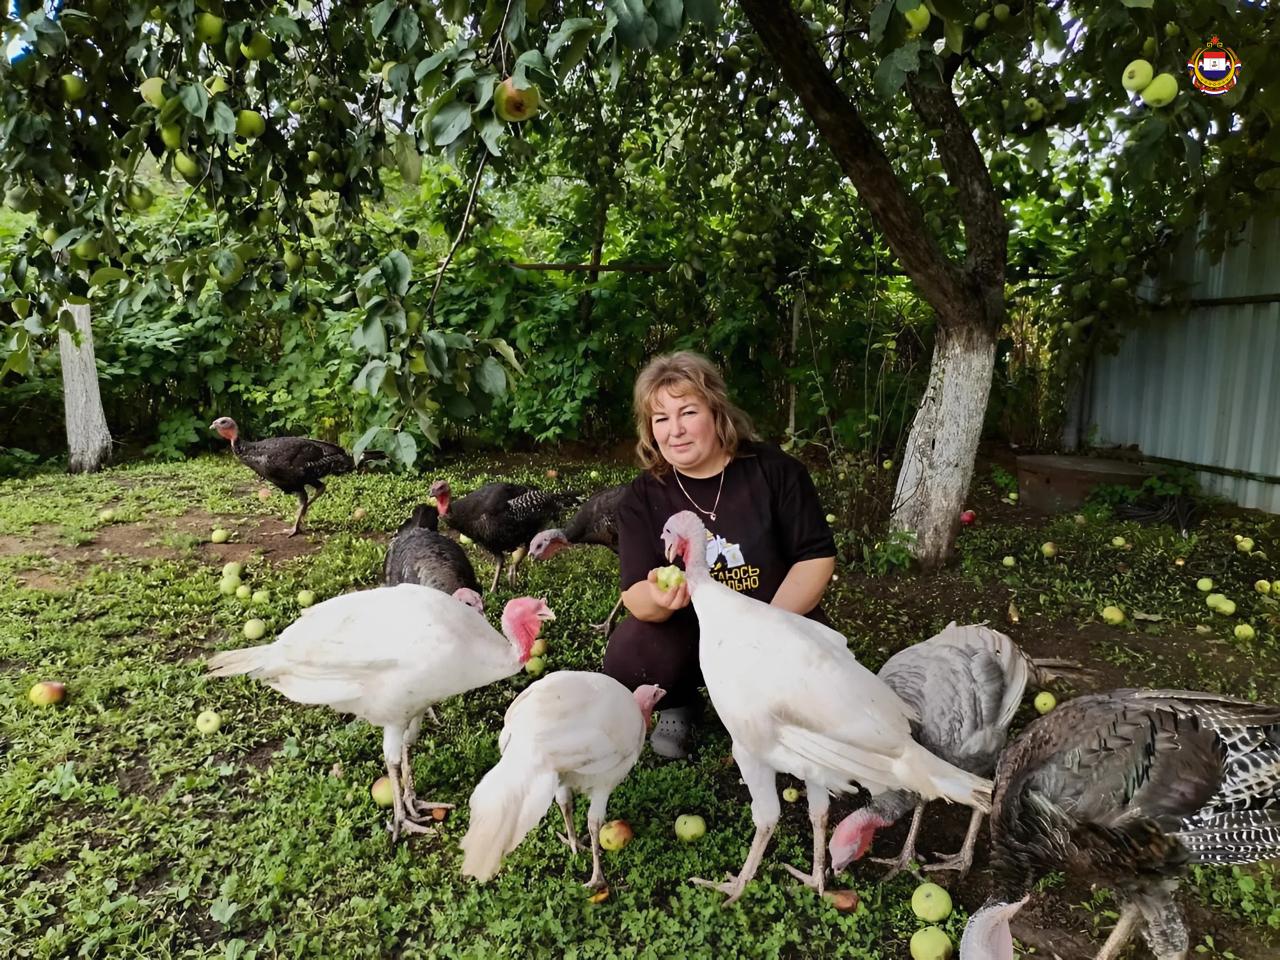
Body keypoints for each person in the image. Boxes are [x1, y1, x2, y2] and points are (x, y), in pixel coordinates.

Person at [602, 351, 837, 759]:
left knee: (827, 698)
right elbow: (635, 593)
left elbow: (815, 558)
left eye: (687, 412)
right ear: (649, 429)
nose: (674, 430)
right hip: (697, 631)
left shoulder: (775, 472)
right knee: (630, 654)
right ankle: (680, 702)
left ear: (715, 412)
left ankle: (775, 716)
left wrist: (765, 630)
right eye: (661, 419)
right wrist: (658, 600)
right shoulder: (643, 496)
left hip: (778, 617)